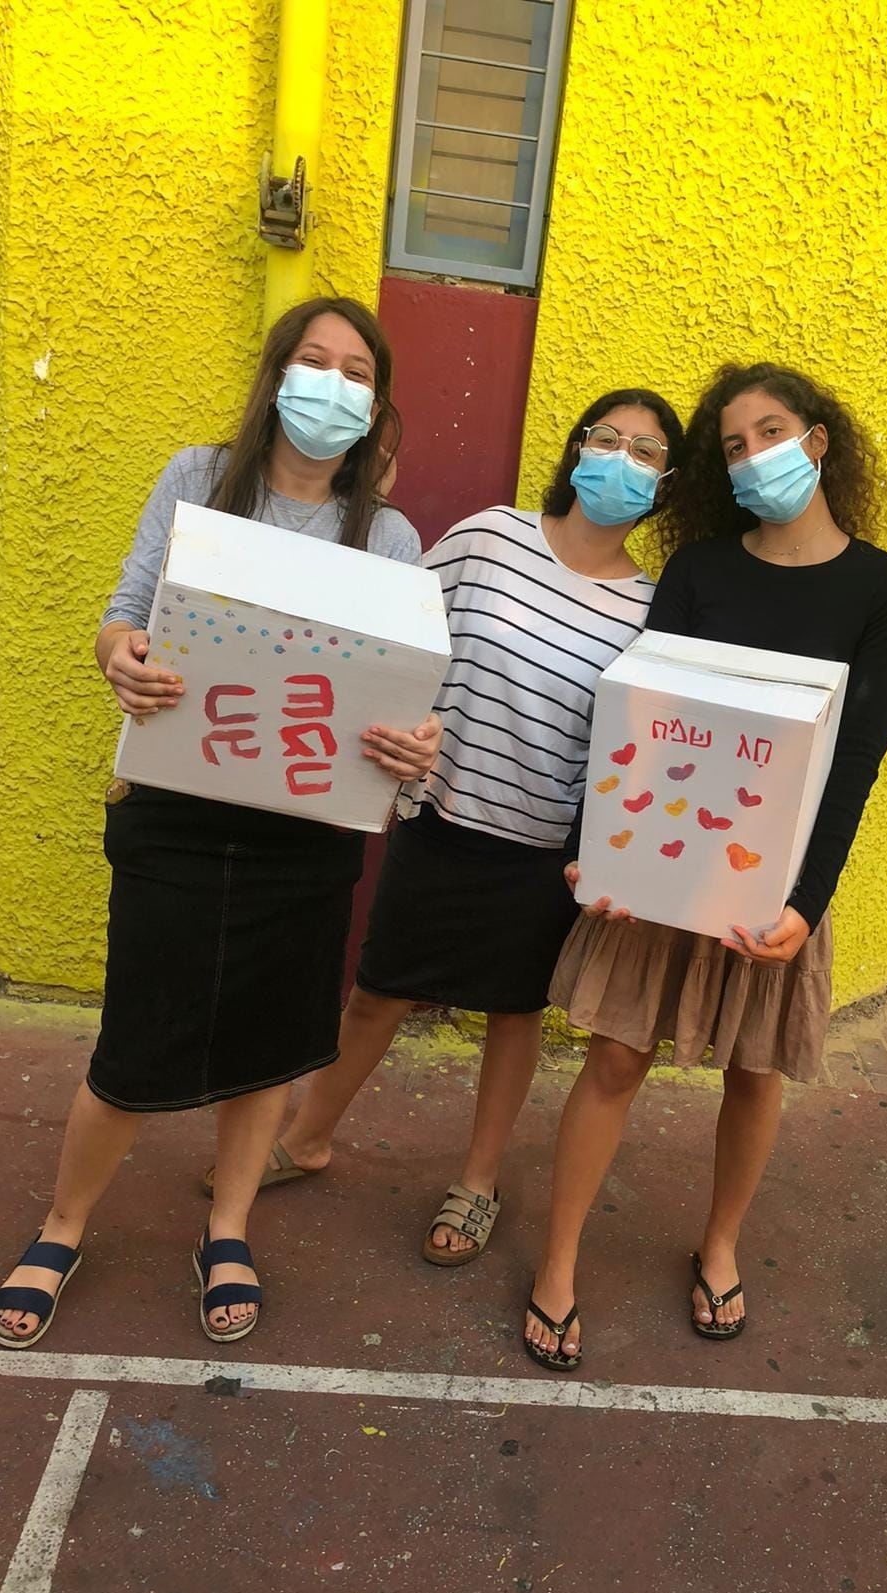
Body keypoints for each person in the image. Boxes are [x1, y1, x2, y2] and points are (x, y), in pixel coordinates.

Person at [0, 296, 441, 1349]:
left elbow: (405, 685)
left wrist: (416, 743)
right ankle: (63, 1225)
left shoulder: (389, 533)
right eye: (314, 361)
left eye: (358, 372)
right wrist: (122, 658)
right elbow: (124, 611)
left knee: (269, 1044)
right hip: (175, 812)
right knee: (137, 1038)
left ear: (377, 402)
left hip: (307, 832)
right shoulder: (197, 478)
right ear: (277, 374)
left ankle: (228, 1226)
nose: (333, 385)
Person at [523, 360, 887, 1370]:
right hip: (662, 862)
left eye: (771, 432)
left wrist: (807, 902)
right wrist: (596, 854)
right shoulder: (700, 569)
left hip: (776, 881)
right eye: (735, 446)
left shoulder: (886, 590)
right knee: (615, 1058)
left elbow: (859, 756)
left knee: (754, 1074)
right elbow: (640, 716)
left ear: (819, 440)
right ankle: (558, 1262)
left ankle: (719, 1244)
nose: (754, 457)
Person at [249, 390, 685, 1271]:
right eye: (608, 438)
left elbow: (633, 746)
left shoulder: (651, 610)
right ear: (576, 449)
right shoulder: (491, 538)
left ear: (665, 483)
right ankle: (306, 1138)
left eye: (645, 453)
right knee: (378, 992)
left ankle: (478, 1181)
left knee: (513, 1017)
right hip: (440, 815)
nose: (621, 460)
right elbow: (400, 633)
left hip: (545, 850)